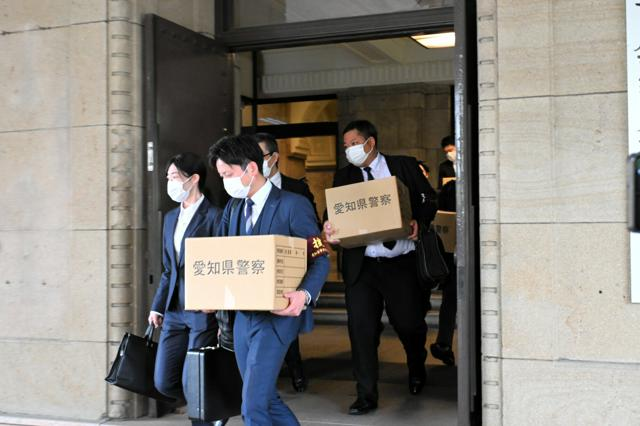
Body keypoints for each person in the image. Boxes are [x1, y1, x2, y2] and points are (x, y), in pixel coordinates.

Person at [209, 134, 330, 425]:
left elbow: (320, 256)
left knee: (252, 407)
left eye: (228, 174)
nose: (225, 181)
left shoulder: (293, 205)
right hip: (243, 318)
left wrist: (304, 294)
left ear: (251, 168)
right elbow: (224, 257)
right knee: (264, 398)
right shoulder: (233, 208)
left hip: (277, 316)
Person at [323, 120, 438, 415]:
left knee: (408, 323)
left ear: (370, 143)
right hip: (362, 266)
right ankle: (365, 394)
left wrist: (420, 221)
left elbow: (429, 199)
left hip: (400, 263)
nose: (349, 150)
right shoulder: (344, 176)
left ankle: (416, 364)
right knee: (361, 329)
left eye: (354, 144)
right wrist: (329, 229)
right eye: (346, 146)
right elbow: (332, 213)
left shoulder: (404, 166)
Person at [148, 153, 224, 426]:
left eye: (174, 177)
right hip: (174, 311)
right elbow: (169, 268)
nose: (169, 183)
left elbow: (223, 266)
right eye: (168, 177)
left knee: (194, 381)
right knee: (164, 381)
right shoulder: (170, 218)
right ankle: (212, 405)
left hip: (202, 310)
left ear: (193, 179)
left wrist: (220, 310)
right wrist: (158, 306)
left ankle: (207, 413)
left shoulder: (215, 216)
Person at [256, 132, 318, 393]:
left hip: (290, 264)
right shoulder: (242, 196)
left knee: (285, 317)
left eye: (258, 156)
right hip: (258, 265)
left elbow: (312, 232)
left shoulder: (296, 190)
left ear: (273, 158)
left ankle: (295, 370)